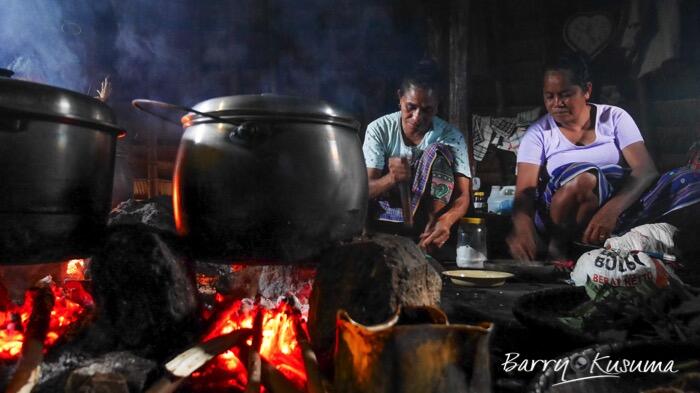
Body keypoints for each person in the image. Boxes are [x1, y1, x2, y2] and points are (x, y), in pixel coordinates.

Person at [508, 53, 659, 261]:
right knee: (584, 177)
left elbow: (645, 170)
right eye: (549, 96)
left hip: (617, 209)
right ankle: (559, 247)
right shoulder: (537, 134)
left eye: (565, 94)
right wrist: (522, 228)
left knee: (685, 182)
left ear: (587, 91)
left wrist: (610, 211)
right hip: (560, 215)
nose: (557, 103)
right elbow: (525, 192)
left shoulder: (614, 117)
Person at [362, 62, 471, 251]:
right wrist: (391, 179)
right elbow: (364, 191)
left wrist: (446, 221)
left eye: (427, 110)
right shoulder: (379, 129)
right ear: (400, 98)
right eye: (410, 107)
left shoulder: (451, 136)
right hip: (386, 221)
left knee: (438, 152)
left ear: (437, 106)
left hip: (430, 219)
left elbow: (463, 196)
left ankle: (429, 233)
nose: (417, 117)